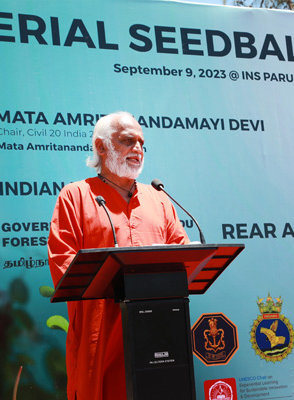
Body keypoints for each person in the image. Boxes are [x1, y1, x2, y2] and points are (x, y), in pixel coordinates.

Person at [48, 111, 189, 400]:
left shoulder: (159, 198)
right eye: (128, 141)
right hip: (101, 337)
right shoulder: (75, 196)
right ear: (101, 147)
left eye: (141, 142)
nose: (138, 149)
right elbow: (64, 263)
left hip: (159, 332)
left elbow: (183, 257)